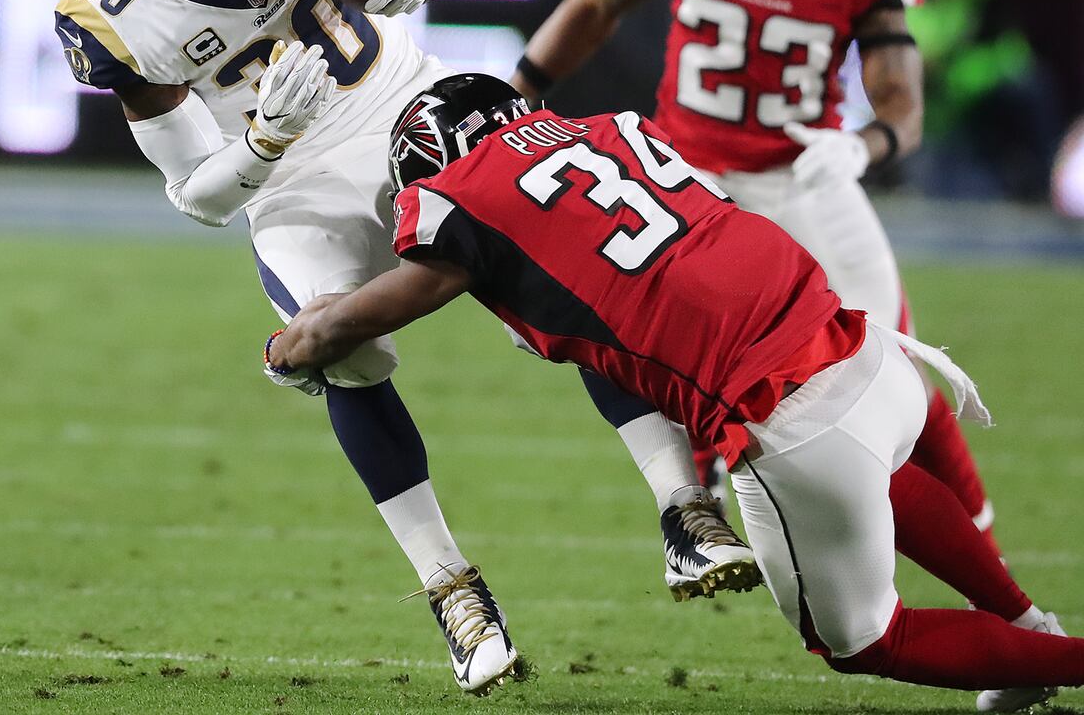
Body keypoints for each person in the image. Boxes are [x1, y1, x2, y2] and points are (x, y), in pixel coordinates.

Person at [55, 0, 753, 696]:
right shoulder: (113, 13)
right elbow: (199, 196)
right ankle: (452, 589)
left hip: (408, 104)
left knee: (563, 255)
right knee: (340, 348)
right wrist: (262, 143)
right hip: (291, 183)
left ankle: (685, 509)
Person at [265, 73, 1083, 712]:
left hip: (792, 420)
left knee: (864, 639)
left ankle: (1066, 658)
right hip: (865, 349)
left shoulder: (458, 198)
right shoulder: (613, 129)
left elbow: (344, 327)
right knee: (887, 476)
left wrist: (283, 348)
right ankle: (1026, 627)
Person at [511, 0, 1002, 557]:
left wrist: (862, 147)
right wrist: (520, 89)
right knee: (663, 353)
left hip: (801, 176)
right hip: (688, 179)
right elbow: (597, 4)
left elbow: (901, 100)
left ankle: (984, 549)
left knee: (899, 368)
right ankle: (694, 520)